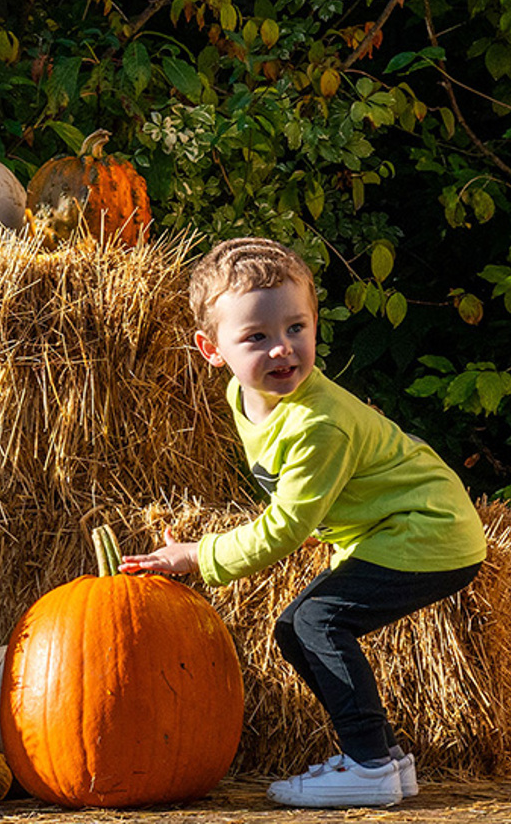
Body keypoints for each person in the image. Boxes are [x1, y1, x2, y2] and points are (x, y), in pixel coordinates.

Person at [119, 237, 486, 809]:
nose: (282, 348)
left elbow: (286, 526)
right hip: (396, 529)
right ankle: (386, 760)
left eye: (296, 328)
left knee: (313, 622)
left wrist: (199, 556)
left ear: (316, 326)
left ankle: (369, 765)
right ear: (212, 349)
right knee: (303, 625)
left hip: (431, 531)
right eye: (256, 337)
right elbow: (305, 493)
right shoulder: (244, 399)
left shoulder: (319, 423)